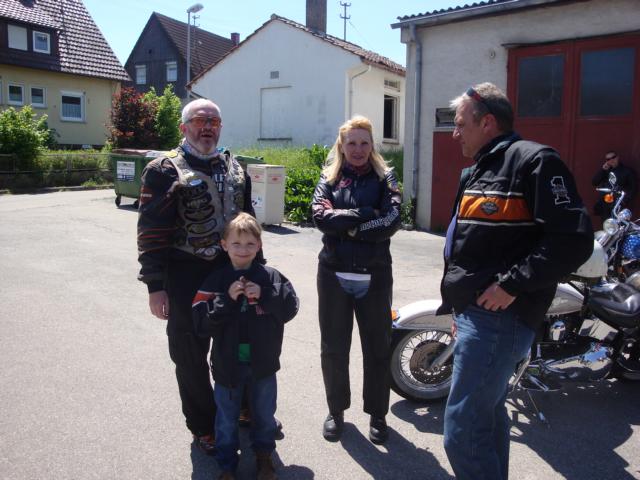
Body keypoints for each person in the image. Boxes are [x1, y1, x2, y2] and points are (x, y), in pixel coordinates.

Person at [440, 83, 593, 480]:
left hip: (498, 320)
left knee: (462, 431)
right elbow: (466, 247)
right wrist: (458, 307)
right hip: (475, 314)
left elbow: (573, 240)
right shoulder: (477, 169)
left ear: (487, 122)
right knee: (488, 418)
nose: (454, 133)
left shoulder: (535, 161)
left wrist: (511, 284)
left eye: (460, 124)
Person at [137, 98, 256, 455]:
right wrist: (155, 287)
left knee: (237, 346)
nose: (207, 127)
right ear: (184, 127)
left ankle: (243, 407)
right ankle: (204, 425)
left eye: (213, 122)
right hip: (185, 275)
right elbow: (151, 233)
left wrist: (258, 272)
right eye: (200, 120)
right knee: (189, 356)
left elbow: (248, 224)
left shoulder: (236, 167)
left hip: (231, 273)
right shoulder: (163, 170)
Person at [311, 116, 401, 444]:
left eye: (364, 143)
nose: (358, 149)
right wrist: (364, 215)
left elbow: (391, 220)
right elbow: (320, 217)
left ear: (372, 145)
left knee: (377, 349)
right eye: (352, 143)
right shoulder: (329, 179)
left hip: (374, 277)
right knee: (334, 349)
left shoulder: (386, 178)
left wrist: (348, 229)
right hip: (333, 276)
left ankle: (378, 414)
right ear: (342, 145)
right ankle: (336, 412)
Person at [192, 213, 299, 480]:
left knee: (264, 415)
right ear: (224, 245)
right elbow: (201, 322)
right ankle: (227, 465)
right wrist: (226, 300)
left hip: (263, 364)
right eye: (236, 244)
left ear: (259, 245)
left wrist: (265, 295)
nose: (243, 249)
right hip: (227, 366)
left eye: (250, 243)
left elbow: (290, 308)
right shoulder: (216, 280)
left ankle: (264, 457)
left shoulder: (271, 277)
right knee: (226, 420)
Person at [592, 150, 637, 223]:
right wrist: (602, 170)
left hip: (619, 204)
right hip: (605, 204)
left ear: (617, 157)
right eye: (608, 159)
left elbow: (633, 188)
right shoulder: (606, 171)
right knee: (606, 225)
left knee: (619, 226)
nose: (611, 160)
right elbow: (594, 182)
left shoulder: (627, 171)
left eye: (613, 157)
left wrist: (624, 201)